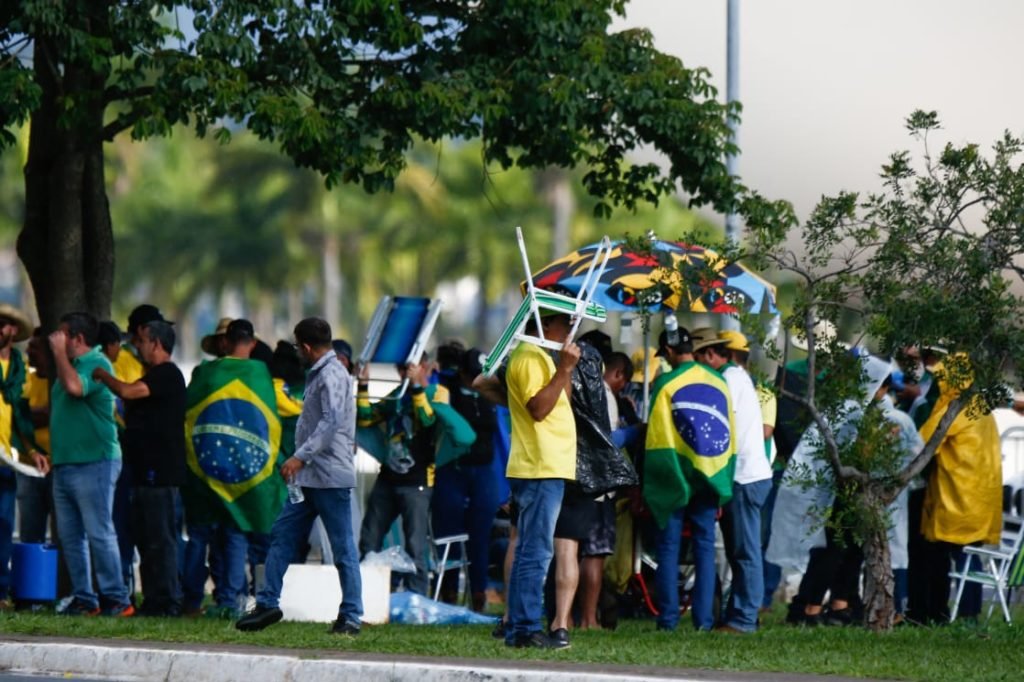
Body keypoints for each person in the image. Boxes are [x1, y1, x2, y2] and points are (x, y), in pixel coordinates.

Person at [236, 317, 362, 635]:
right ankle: (267, 604)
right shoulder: (318, 373)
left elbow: (332, 421)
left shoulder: (333, 374)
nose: (297, 353)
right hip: (309, 478)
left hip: (329, 476)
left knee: (342, 548)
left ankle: (351, 615)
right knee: (282, 535)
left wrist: (299, 456)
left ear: (306, 346)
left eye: (297, 346)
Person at [479, 311, 580, 649]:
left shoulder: (540, 357)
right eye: (565, 323)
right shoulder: (528, 358)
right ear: (544, 325)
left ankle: (520, 626)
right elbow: (539, 408)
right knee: (535, 552)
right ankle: (524, 626)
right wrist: (564, 368)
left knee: (529, 550)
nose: (570, 329)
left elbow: (563, 400)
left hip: (545, 466)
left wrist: (564, 367)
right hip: (540, 467)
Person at [182, 318, 282, 618]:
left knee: (209, 537)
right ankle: (246, 600)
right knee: (245, 535)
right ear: (251, 343)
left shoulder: (206, 374)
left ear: (225, 342)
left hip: (210, 472)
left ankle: (203, 599)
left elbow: (189, 414)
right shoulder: (262, 375)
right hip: (249, 476)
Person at [643, 328, 735, 632]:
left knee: (669, 548)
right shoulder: (717, 379)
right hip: (710, 475)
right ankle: (704, 622)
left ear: (668, 350)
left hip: (675, 476)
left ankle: (668, 620)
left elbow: (656, 438)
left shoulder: (666, 382)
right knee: (705, 548)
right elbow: (727, 433)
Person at [93, 320, 186, 617]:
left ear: (157, 344)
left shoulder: (167, 374)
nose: (137, 346)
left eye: (142, 340)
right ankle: (154, 600)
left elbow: (129, 392)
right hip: (143, 473)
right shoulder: (153, 375)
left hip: (161, 474)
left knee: (162, 541)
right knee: (146, 542)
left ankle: (169, 601)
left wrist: (102, 375)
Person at [44, 312, 133, 616]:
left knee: (99, 532)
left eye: (62, 334)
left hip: (95, 462)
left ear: (78, 339)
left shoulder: (97, 364)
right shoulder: (68, 366)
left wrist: (58, 354)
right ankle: (85, 599)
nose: (57, 339)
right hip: (66, 464)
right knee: (70, 536)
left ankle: (117, 598)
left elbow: (75, 389)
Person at [691, 328, 773, 633]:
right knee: (742, 549)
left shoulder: (727, 380)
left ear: (711, 354)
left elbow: (722, 430)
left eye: (699, 359)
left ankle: (744, 619)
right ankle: (740, 613)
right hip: (746, 475)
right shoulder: (737, 376)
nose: (696, 366)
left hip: (744, 476)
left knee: (744, 550)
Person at [912, 354, 1002, 624]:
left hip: (957, 501)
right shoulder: (981, 408)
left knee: (940, 558)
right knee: (968, 560)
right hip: (980, 502)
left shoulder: (954, 409)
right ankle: (968, 615)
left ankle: (945, 615)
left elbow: (922, 445)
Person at [357, 355, 443, 596]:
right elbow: (365, 418)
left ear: (424, 366)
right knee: (369, 537)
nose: (404, 370)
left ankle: (417, 599)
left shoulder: (437, 392)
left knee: (416, 544)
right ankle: (366, 595)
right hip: (387, 479)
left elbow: (427, 419)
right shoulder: (395, 395)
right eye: (402, 366)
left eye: (410, 366)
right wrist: (363, 385)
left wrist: (416, 385)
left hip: (417, 484)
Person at [432, 347, 501, 612]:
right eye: (470, 375)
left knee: (480, 535)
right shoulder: (447, 387)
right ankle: (448, 590)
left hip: (483, 470)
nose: (475, 380)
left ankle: (478, 593)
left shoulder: (489, 392)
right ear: (460, 372)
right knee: (448, 531)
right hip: (453, 469)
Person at [0, 303, 38, 608]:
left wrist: (32, 451)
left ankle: (0, 591)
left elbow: (22, 416)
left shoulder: (18, 367)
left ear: (13, 331)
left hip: (6, 458)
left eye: (4, 325)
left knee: (3, 524)